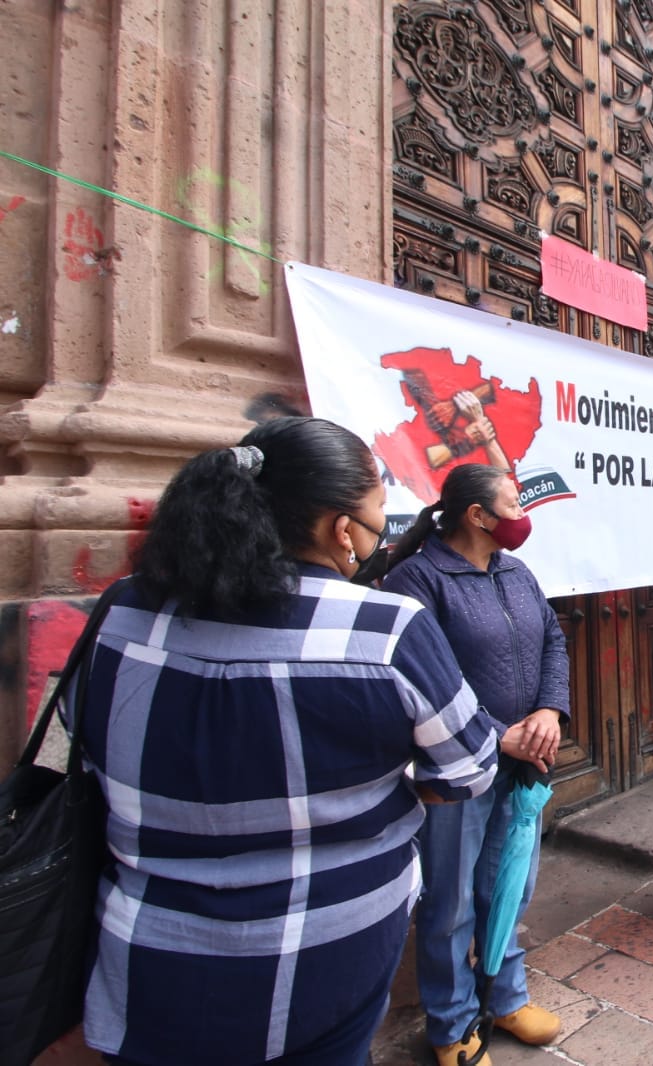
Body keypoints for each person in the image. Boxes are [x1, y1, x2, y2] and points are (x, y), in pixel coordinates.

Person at [71, 417, 500, 1066]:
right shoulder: (385, 628)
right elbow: (468, 768)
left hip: (148, 956)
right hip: (329, 958)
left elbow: (86, 729)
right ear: (339, 528)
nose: (382, 526)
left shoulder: (122, 610)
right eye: (379, 508)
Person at [382, 464, 570, 1066]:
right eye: (513, 504)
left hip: (524, 761)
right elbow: (419, 677)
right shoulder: (419, 578)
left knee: (508, 887)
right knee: (451, 902)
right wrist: (495, 735)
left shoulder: (517, 571)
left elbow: (552, 643)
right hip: (453, 772)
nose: (522, 515)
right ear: (477, 516)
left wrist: (549, 710)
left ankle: (506, 996)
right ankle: (452, 1024)